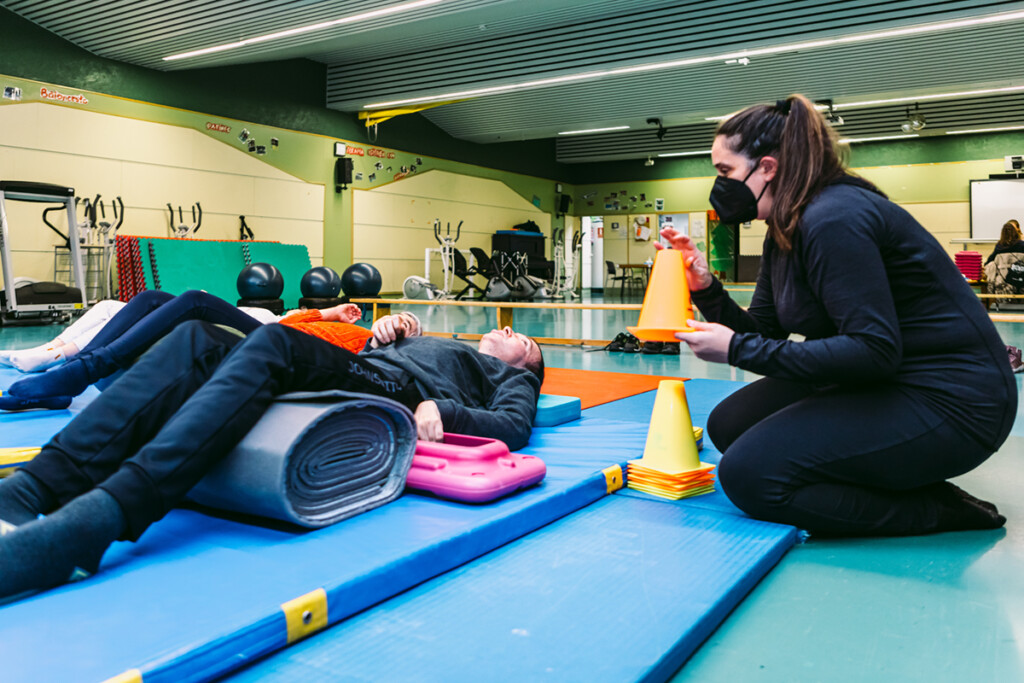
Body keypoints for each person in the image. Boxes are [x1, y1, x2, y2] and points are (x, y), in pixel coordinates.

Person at [660, 94, 1015, 537]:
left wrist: (735, 349)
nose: (720, 186)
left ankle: (939, 510)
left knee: (750, 477)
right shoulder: (784, 226)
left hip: (953, 402)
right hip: (883, 380)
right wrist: (706, 289)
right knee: (730, 425)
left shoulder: (834, 218)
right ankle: (880, 474)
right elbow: (765, 329)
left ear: (767, 168)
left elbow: (873, 351)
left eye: (725, 172)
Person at [0, 313, 543, 599]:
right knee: (194, 336)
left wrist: (440, 408)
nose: (509, 331)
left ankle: (98, 521)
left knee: (280, 346)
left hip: (394, 392)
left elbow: (514, 426)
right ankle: (32, 489)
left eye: (525, 343)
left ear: (527, 367)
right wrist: (385, 335)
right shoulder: (445, 342)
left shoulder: (508, 377)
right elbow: (363, 358)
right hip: (363, 364)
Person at [0, 290, 379, 410]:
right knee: (151, 299)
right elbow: (291, 323)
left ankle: (79, 373)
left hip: (279, 348)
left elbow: (310, 350)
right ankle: (72, 377)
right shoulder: (351, 328)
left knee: (197, 301)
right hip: (275, 332)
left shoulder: (366, 348)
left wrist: (385, 332)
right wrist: (328, 312)